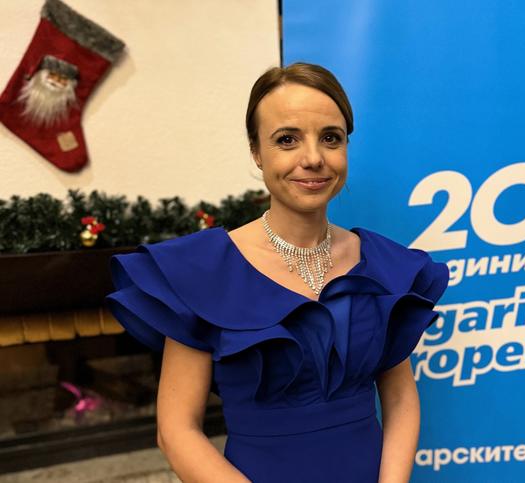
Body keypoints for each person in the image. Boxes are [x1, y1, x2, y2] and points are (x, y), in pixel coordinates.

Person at [105, 62, 448, 483]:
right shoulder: (204, 271)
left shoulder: (383, 266)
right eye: (287, 139)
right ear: (256, 151)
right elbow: (176, 431)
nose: (313, 158)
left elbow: (400, 400)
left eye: (330, 138)